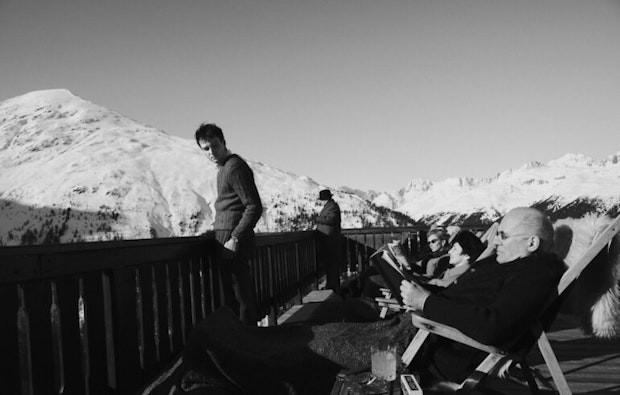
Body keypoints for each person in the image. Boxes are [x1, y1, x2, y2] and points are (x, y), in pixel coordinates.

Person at [400, 207, 565, 386]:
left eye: (503, 235)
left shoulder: (534, 274)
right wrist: (422, 293)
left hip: (442, 349)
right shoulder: (509, 264)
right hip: (426, 334)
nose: (495, 241)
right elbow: (469, 298)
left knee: (373, 351)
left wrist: (426, 302)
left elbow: (492, 326)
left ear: (532, 243)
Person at [195, 123, 263, 325]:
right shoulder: (223, 168)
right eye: (205, 149)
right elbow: (229, 207)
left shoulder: (234, 167)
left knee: (240, 294)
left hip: (233, 241)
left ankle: (248, 344)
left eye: (215, 146)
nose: (211, 152)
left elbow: (253, 206)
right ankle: (241, 343)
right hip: (224, 237)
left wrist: (234, 238)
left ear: (224, 143)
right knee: (233, 295)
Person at [316, 189, 342, 293]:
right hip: (328, 240)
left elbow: (331, 220)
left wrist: (318, 219)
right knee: (330, 264)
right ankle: (331, 284)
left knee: (332, 264)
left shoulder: (332, 207)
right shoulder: (331, 206)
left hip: (330, 240)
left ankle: (332, 285)